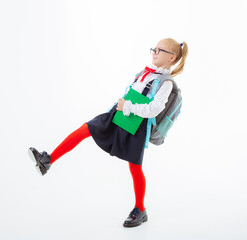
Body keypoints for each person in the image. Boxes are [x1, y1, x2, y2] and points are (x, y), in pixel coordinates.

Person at [28, 38, 188, 228]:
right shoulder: (145, 72)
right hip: (118, 115)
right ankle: (48, 160)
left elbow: (153, 109)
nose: (154, 52)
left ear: (171, 57)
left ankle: (140, 209)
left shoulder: (166, 82)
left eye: (159, 50)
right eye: (153, 49)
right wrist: (121, 106)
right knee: (85, 129)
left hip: (136, 125)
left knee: (135, 167)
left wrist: (127, 106)